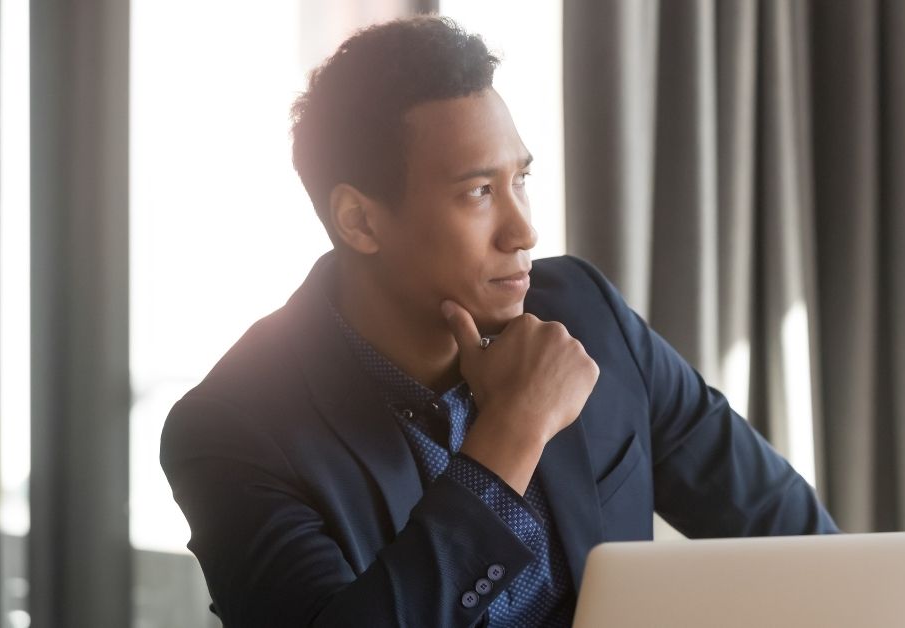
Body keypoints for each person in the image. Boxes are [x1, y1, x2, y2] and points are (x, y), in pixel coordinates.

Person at [160, 15, 838, 628]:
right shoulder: (232, 431)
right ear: (360, 221)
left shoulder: (584, 312)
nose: (523, 230)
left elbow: (788, 532)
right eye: (479, 192)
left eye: (522, 180)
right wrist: (512, 433)